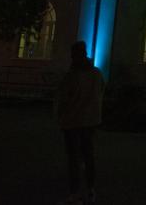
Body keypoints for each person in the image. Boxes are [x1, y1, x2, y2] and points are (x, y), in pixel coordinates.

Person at [55, 41, 104, 205]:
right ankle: (90, 190)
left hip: (73, 122)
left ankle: (75, 193)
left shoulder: (72, 76)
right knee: (89, 156)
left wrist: (59, 115)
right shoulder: (97, 74)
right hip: (90, 121)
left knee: (74, 158)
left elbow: (63, 99)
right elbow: (101, 93)